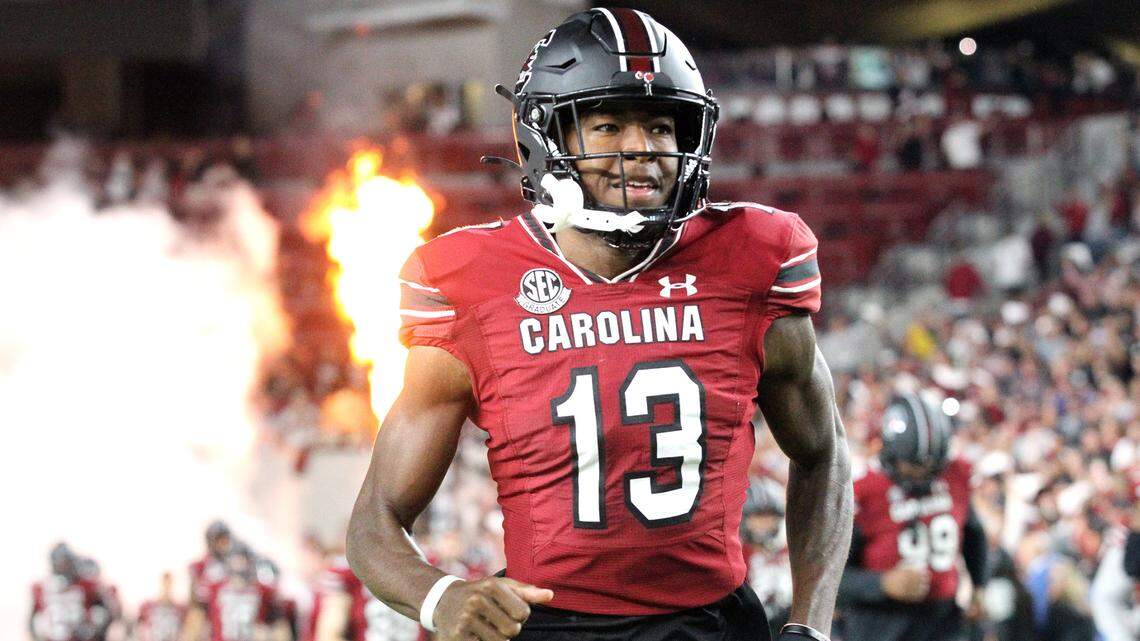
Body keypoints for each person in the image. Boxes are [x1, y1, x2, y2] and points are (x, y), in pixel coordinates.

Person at [346, 8, 852, 641]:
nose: (641, 149)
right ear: (545, 138)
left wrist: (813, 622)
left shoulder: (753, 256)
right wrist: (439, 596)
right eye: (608, 126)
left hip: (714, 625)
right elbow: (375, 519)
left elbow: (823, 453)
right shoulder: (470, 281)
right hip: (552, 627)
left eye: (661, 126)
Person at [837, 390, 988, 641]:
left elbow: (974, 533)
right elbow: (831, 579)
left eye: (932, 466)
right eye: (915, 466)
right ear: (891, 453)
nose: (923, 474)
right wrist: (882, 584)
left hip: (943, 619)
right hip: (881, 623)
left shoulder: (955, 474)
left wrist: (979, 586)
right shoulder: (863, 491)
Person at [29, 544, 115, 641]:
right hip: (53, 636)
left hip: (82, 637)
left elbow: (107, 612)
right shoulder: (42, 588)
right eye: (60, 563)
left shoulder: (86, 586)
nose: (63, 567)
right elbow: (32, 621)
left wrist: (92, 628)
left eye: (66, 563)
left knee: (98, 615)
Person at [137, 572, 187, 641]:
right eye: (165, 583)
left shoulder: (180, 609)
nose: (167, 586)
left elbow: (184, 631)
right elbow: (141, 628)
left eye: (169, 583)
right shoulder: (147, 606)